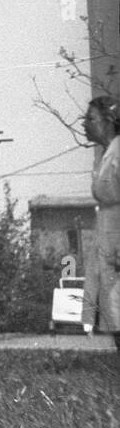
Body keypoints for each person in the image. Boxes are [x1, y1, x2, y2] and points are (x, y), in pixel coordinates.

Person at [82, 94, 120, 359]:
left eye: (91, 119)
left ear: (109, 121)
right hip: (108, 238)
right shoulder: (108, 154)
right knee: (113, 308)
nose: (85, 124)